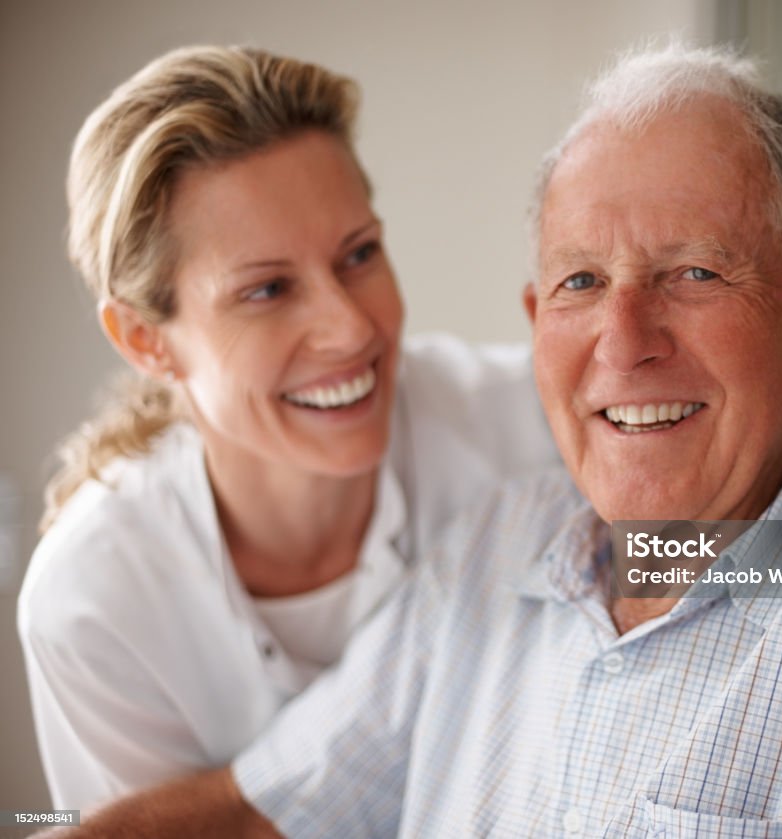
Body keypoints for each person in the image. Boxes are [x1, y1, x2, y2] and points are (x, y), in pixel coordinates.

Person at [42, 42, 782, 838]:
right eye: (580, 283)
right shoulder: (500, 538)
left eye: (693, 272)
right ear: (533, 320)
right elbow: (263, 805)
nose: (623, 341)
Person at [17, 45, 557, 811]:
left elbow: (781, 560)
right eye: (267, 289)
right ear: (146, 340)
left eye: (359, 254)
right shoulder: (94, 601)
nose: (349, 328)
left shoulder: (528, 421)